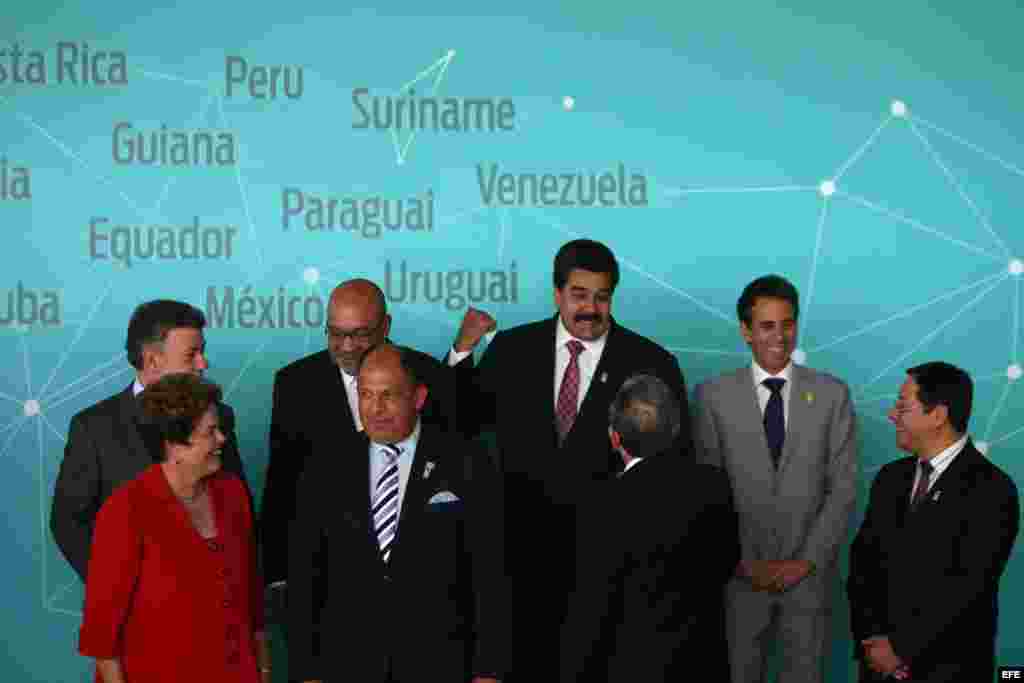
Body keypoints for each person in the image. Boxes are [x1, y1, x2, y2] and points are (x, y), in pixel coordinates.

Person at [449, 239, 692, 681]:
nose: (591, 309)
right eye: (579, 295)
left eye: (602, 297)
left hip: (611, 581)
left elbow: (674, 472)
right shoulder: (512, 348)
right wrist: (463, 350)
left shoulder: (651, 362)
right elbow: (462, 421)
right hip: (519, 574)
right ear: (557, 293)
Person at [287, 343, 503, 683]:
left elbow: (490, 573)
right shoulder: (325, 465)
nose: (375, 409)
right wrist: (308, 671)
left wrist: (488, 669)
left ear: (418, 397)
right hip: (348, 664)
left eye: (388, 395)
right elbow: (305, 577)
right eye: (366, 394)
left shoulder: (465, 461)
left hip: (440, 664)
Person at [693, 274, 857, 683]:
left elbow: (843, 489)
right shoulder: (712, 396)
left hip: (808, 583)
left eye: (787, 324)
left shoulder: (832, 394)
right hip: (738, 582)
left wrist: (805, 561)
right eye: (767, 326)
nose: (779, 337)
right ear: (746, 331)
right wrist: (739, 561)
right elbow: (707, 493)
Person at [259, 279, 456, 603]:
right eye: (336, 334)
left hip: (419, 581)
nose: (347, 346)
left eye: (360, 334)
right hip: (332, 579)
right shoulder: (295, 384)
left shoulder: (430, 376)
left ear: (386, 326)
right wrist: (278, 574)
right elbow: (281, 484)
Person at [78, 373, 269, 682]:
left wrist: (263, 669)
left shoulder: (232, 492)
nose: (222, 439)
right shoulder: (126, 509)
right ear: (175, 445)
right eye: (210, 431)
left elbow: (252, 601)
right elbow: (102, 632)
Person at [51, 299, 249, 582]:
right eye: (191, 354)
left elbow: (237, 511)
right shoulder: (94, 427)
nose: (203, 363)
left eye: (202, 351)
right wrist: (116, 582)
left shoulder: (222, 416)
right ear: (153, 361)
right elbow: (68, 523)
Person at [559, 374, 739, 683]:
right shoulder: (713, 484)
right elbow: (726, 561)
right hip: (702, 665)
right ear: (676, 429)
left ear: (614, 437)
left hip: (628, 668)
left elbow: (591, 609)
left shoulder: (602, 505)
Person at [847, 362, 1019, 682]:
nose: (892, 415)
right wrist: (873, 641)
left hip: (947, 669)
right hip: (877, 666)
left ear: (938, 415)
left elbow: (968, 588)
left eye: (902, 406)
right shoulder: (890, 478)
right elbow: (863, 566)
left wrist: (900, 649)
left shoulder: (992, 489)